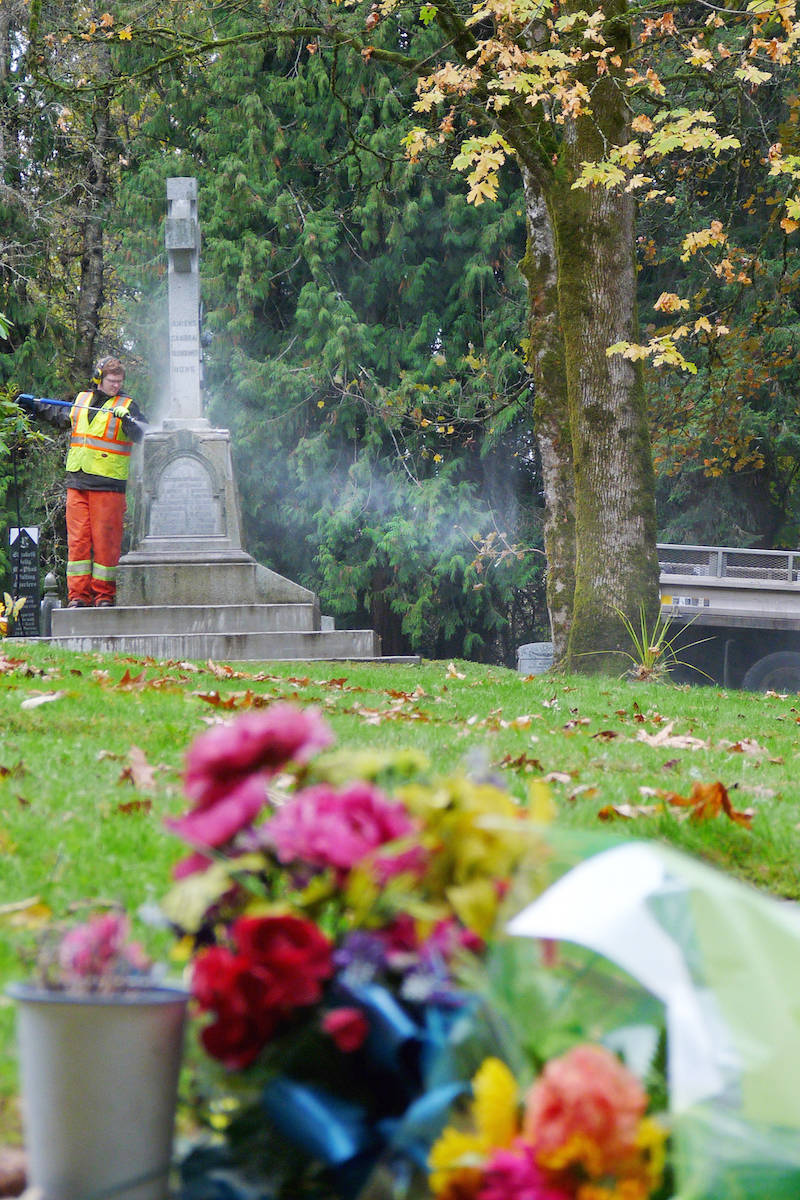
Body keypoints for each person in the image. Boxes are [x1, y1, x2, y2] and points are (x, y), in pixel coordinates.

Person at [18, 357, 147, 608]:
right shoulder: (82, 400)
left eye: (120, 382)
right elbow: (59, 415)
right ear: (99, 379)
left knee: (106, 543)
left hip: (108, 485)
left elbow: (144, 433)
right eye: (111, 381)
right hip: (77, 482)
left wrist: (128, 421)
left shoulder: (128, 405)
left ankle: (104, 597)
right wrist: (34, 405)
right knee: (77, 543)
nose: (116, 386)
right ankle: (78, 597)